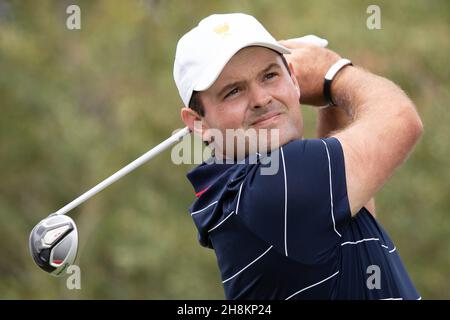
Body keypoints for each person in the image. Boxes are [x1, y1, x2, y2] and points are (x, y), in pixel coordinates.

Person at [173, 13, 423, 299]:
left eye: (269, 75)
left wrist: (330, 94)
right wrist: (334, 70)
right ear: (197, 123)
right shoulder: (273, 184)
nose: (261, 99)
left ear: (293, 78)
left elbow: (352, 203)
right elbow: (402, 121)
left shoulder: (242, 192)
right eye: (233, 91)